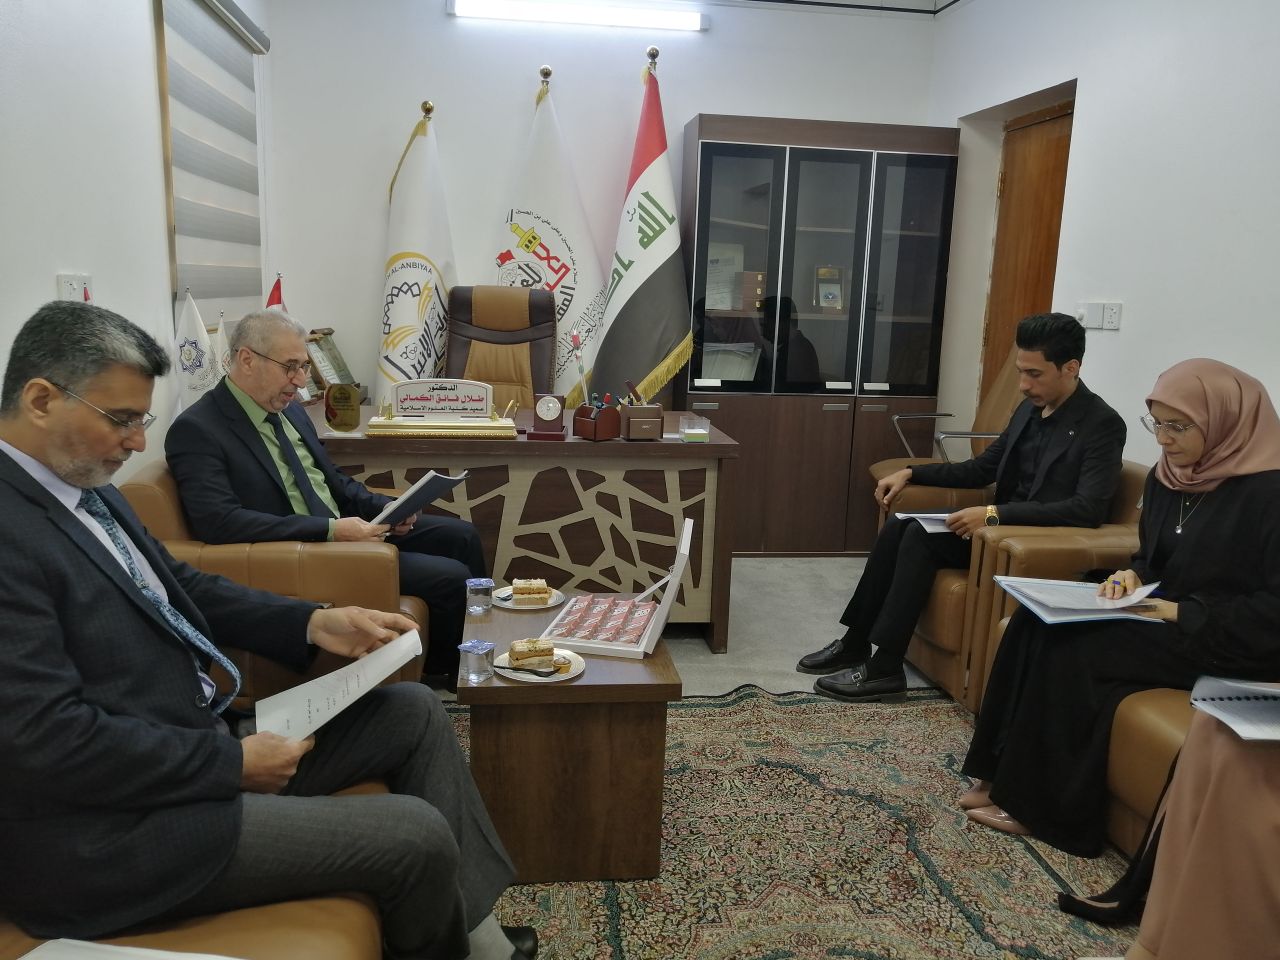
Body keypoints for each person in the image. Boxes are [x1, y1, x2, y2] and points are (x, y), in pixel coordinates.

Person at [0, 301, 534, 960]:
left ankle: (477, 941)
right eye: (122, 419)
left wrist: (312, 620)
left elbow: (186, 586)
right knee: (412, 832)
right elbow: (43, 741)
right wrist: (230, 764)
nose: (138, 443)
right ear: (41, 400)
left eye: (143, 421)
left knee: (414, 711)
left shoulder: (92, 493)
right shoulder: (11, 532)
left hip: (196, 740)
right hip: (116, 832)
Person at [960, 358, 1280, 857]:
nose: (1164, 439)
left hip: (1230, 638)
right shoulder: (1170, 478)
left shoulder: (1269, 492)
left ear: (1226, 422)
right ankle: (996, 772)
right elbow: (1153, 559)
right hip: (1163, 615)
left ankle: (1043, 809)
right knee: (1032, 621)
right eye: (1158, 424)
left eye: (1180, 427)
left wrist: (1183, 613)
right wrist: (1132, 576)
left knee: (1078, 650)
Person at [799, 313, 1127, 702]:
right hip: (994, 531)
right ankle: (855, 642)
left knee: (920, 537)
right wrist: (912, 472)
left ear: (1070, 368)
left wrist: (993, 515)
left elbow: (1086, 509)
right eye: (1021, 372)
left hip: (1025, 540)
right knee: (901, 524)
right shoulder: (1028, 410)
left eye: (1034, 374)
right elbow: (983, 468)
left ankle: (885, 667)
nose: (1023, 385)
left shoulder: (1102, 424)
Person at [166, 309, 486, 683]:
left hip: (345, 532)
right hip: (302, 552)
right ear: (247, 359)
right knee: (450, 578)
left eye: (304, 366)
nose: (301, 381)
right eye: (290, 367)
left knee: (463, 536)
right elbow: (220, 523)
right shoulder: (198, 429)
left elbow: (332, 482)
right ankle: (449, 678)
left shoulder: (291, 412)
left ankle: (479, 654)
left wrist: (388, 508)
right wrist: (332, 531)